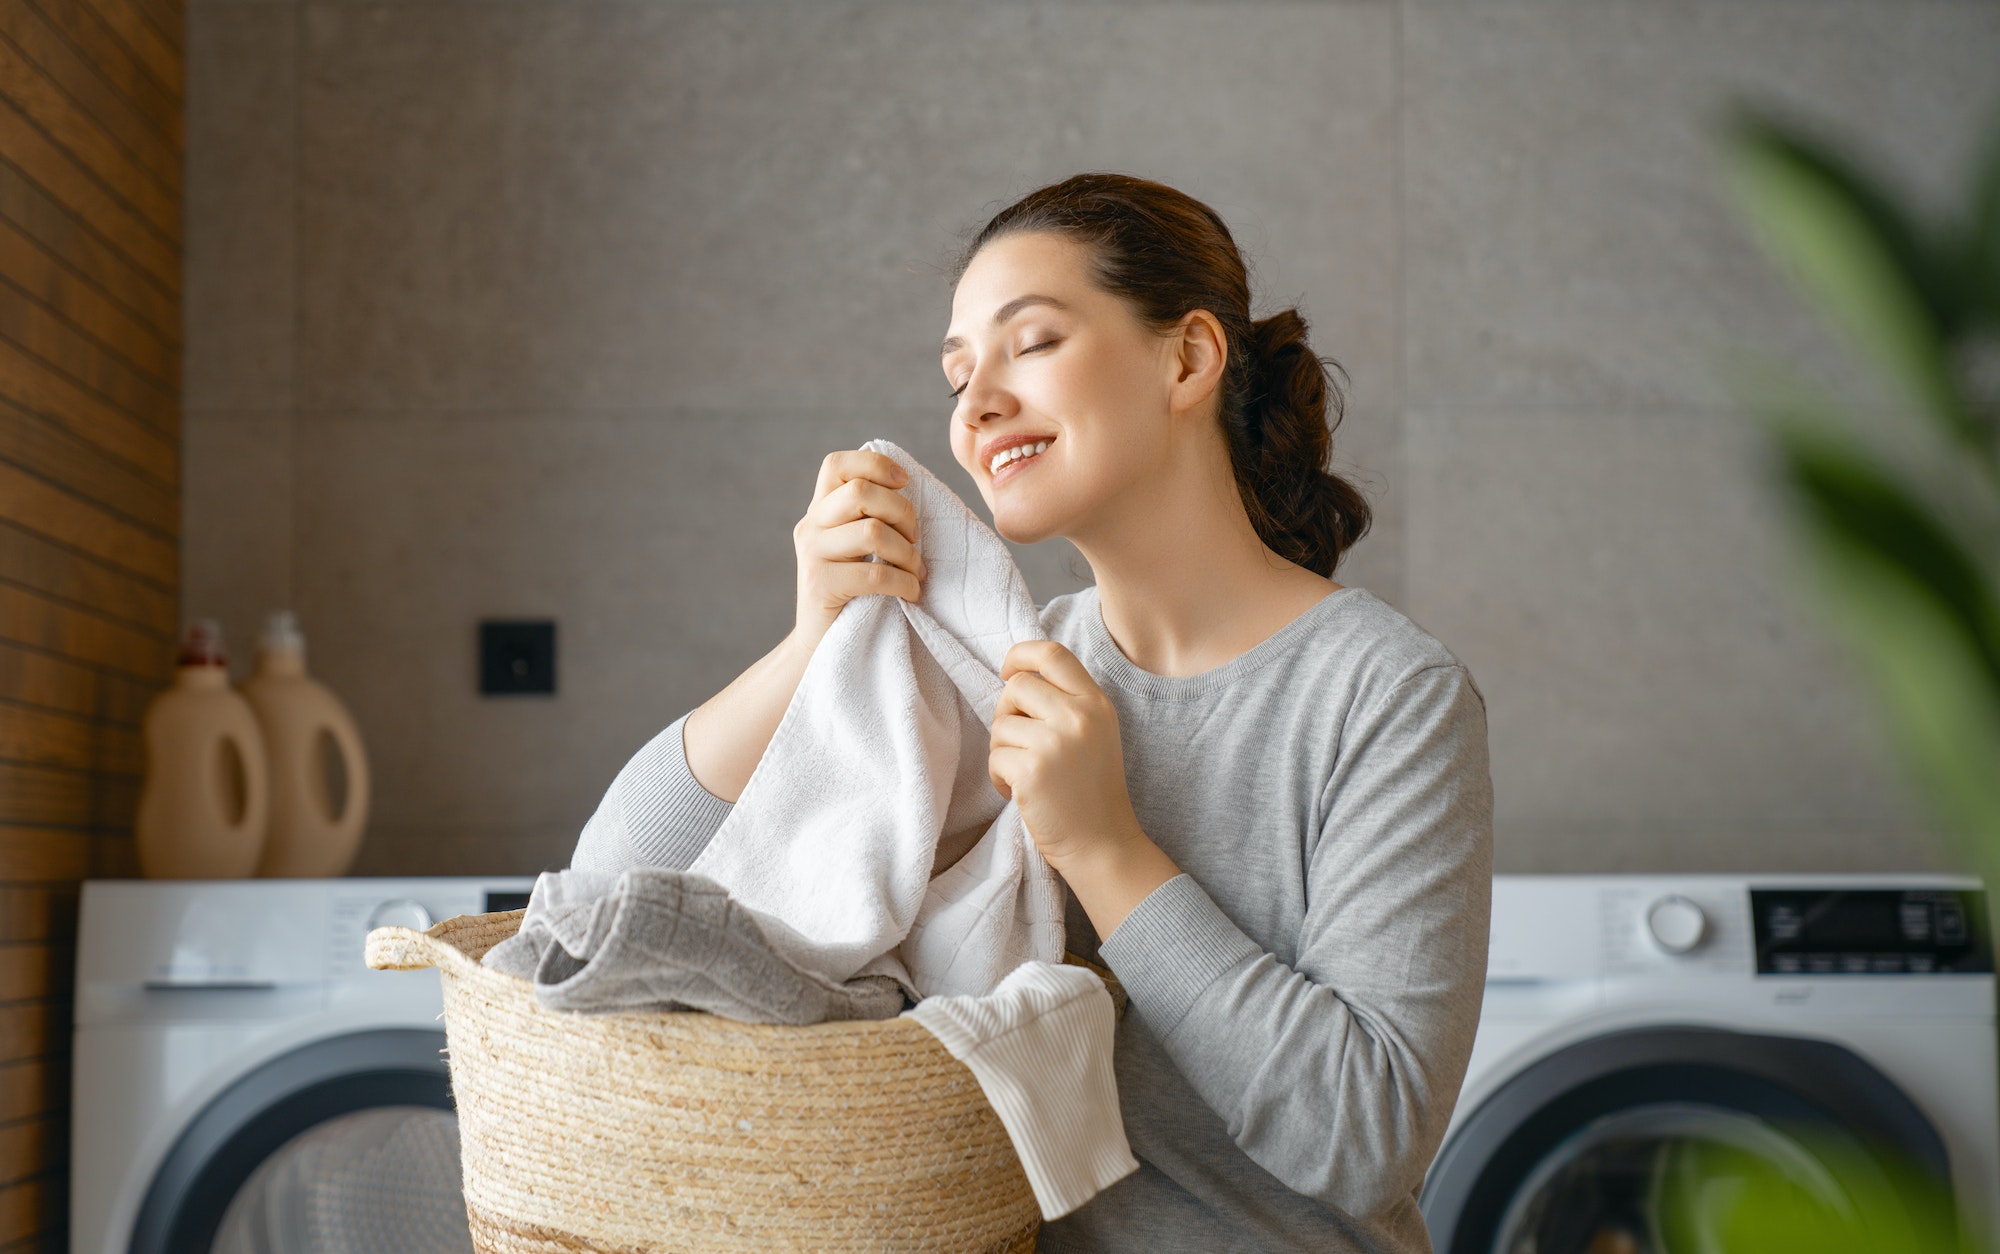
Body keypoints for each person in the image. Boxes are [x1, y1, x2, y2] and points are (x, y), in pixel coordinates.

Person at [574, 172, 1494, 1253]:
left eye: (1032, 343)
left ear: (1187, 358)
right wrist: (811, 643)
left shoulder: (1382, 696)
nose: (975, 404)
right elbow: (610, 894)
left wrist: (1104, 848)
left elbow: (1365, 1136)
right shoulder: (1000, 667)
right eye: (957, 374)